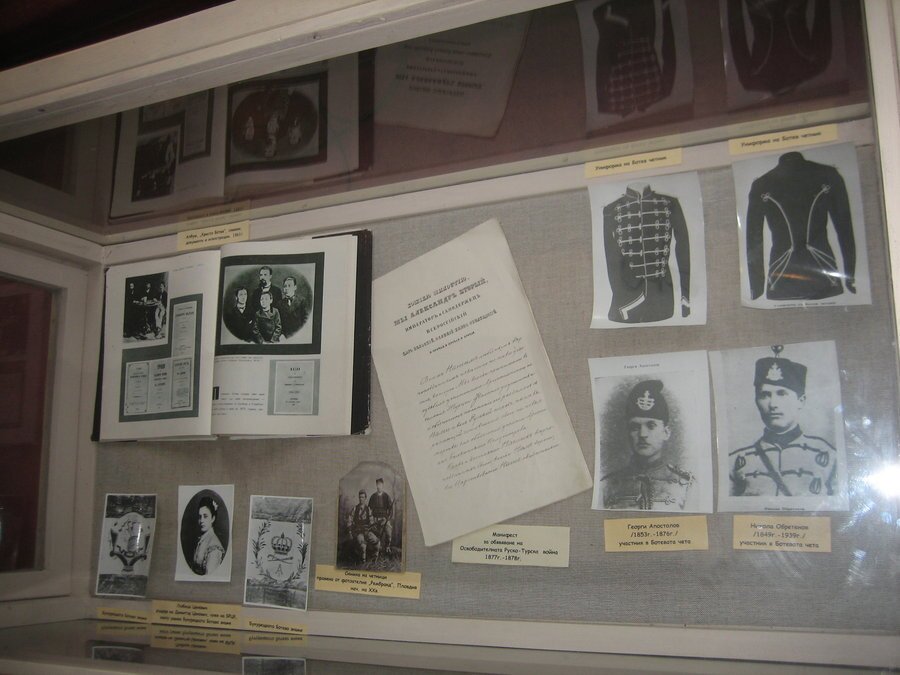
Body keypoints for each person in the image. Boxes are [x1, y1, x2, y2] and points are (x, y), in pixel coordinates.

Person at [729, 346, 837, 497]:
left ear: (801, 401)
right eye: (765, 395)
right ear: (756, 401)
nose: (773, 404)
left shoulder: (828, 456)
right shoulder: (737, 461)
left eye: (782, 394)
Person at [601, 379, 693, 510]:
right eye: (635, 427)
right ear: (628, 433)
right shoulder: (607, 486)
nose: (642, 434)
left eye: (651, 426)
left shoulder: (686, 485)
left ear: (666, 432)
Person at [193, 496, 225, 575]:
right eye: (200, 517)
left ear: (213, 518)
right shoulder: (202, 539)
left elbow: (210, 577)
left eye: (205, 516)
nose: (201, 520)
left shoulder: (214, 547)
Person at [346, 489, 379, 564]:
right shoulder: (355, 509)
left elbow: (371, 521)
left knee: (377, 542)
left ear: (365, 498)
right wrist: (350, 532)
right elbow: (349, 521)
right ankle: (363, 563)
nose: (361, 499)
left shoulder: (368, 509)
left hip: (367, 531)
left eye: (363, 497)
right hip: (358, 532)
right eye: (360, 497)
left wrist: (374, 526)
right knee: (363, 545)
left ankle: (374, 561)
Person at [367, 478, 394, 553]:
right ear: (376, 485)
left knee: (389, 532)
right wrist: (372, 520)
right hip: (375, 520)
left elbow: (391, 510)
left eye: (380, 484)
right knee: (372, 534)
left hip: (384, 519)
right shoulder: (373, 497)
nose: (379, 486)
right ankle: (375, 549)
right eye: (377, 484)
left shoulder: (386, 496)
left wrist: (387, 519)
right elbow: (369, 510)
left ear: (383, 485)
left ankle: (387, 547)